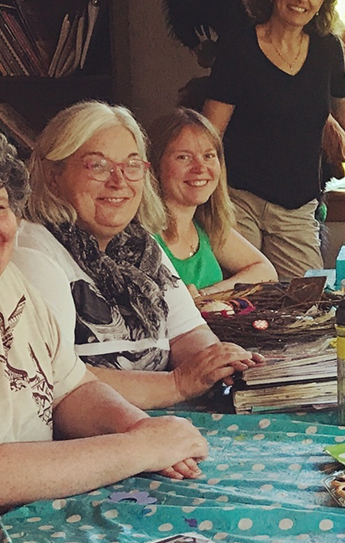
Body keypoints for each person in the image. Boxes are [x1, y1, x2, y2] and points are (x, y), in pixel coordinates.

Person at [0, 133, 209, 506]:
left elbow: (71, 388)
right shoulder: (36, 256)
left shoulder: (13, 282)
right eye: (97, 165)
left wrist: (143, 427)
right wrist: (137, 447)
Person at [14, 101, 261, 410]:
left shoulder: (140, 244)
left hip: (157, 419)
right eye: (98, 165)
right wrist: (177, 384)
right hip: (91, 434)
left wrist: (219, 364)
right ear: (53, 175)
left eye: (132, 165)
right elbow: (56, 377)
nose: (119, 181)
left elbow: (188, 332)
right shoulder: (33, 251)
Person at [201, 0, 345, 279]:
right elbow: (209, 131)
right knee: (246, 303)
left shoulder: (327, 49)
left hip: (297, 207)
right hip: (238, 200)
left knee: (305, 306)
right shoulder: (239, 47)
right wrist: (203, 197)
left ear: (322, 1)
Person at [149, 108, 276, 293]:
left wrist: (210, 293)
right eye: (184, 157)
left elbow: (265, 271)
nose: (200, 168)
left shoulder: (205, 224)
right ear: (155, 165)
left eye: (208, 156)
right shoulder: (144, 237)